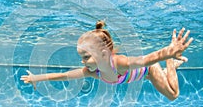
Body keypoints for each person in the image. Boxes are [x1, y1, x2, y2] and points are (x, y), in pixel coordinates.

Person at [21, 21, 193, 101]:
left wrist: (169, 53)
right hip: (139, 76)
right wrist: (36, 78)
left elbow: (146, 60)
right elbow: (64, 75)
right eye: (81, 58)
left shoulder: (119, 62)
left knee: (173, 95)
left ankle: (170, 65)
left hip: (149, 70)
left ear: (103, 53)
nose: (83, 62)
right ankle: (168, 68)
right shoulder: (92, 72)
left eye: (86, 57)